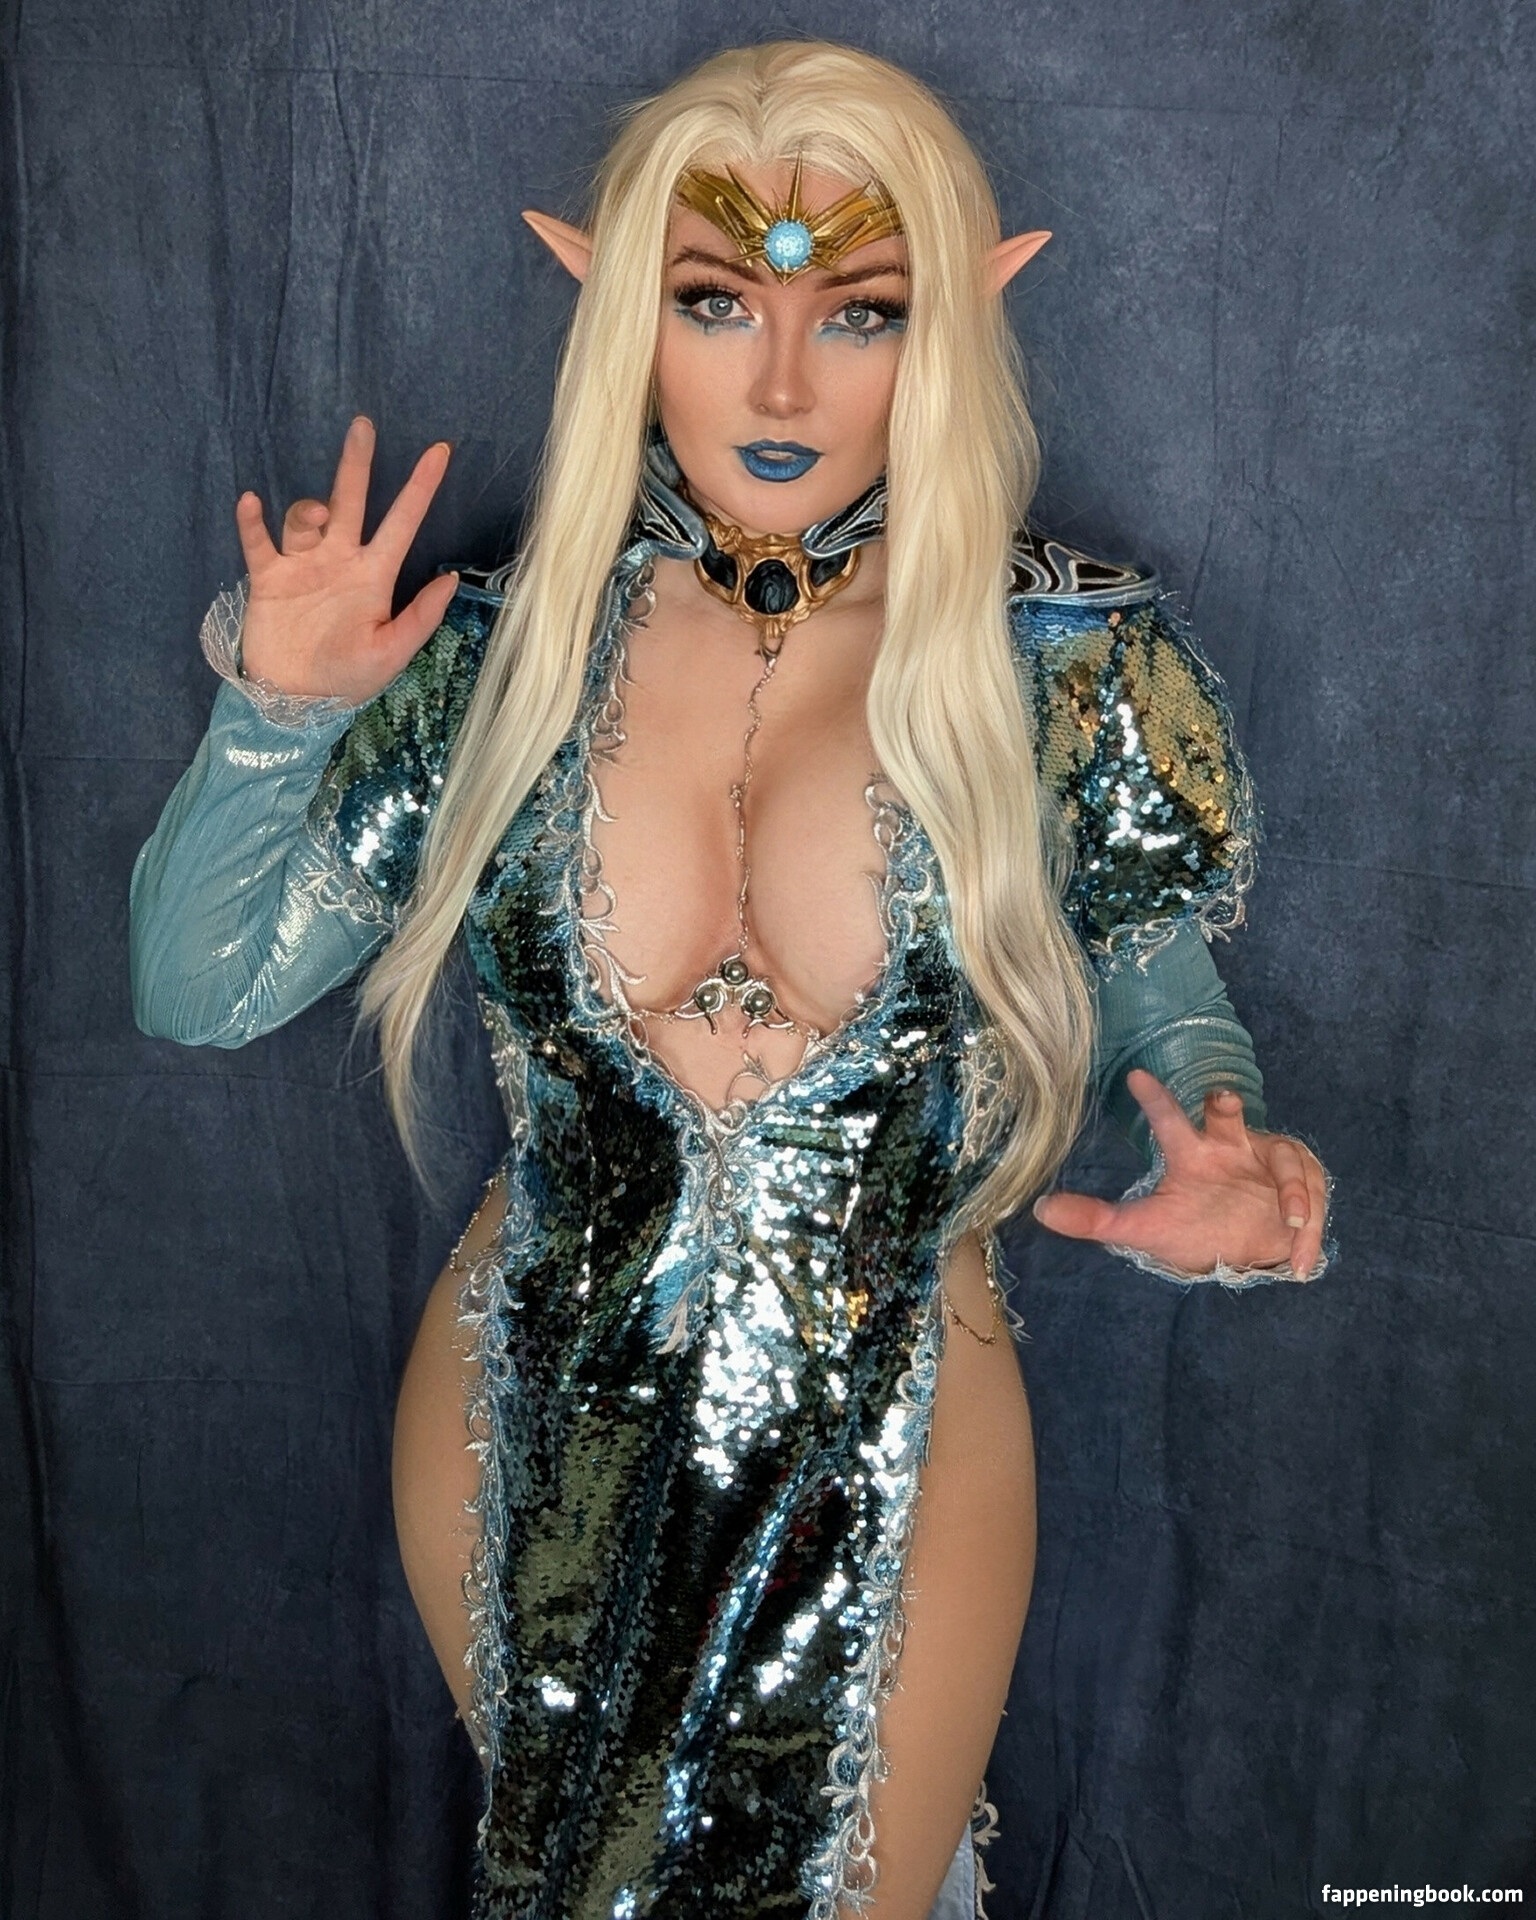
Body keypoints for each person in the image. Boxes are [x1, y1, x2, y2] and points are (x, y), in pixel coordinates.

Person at [129, 40, 1329, 1920]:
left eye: (859, 311)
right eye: (713, 301)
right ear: (614, 297)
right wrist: (277, 713)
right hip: (531, 1407)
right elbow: (197, 988)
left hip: (905, 1407)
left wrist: (1237, 1154)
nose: (779, 383)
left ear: (956, 315)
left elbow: (1175, 1019)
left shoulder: (1061, 662)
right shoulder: (502, 660)